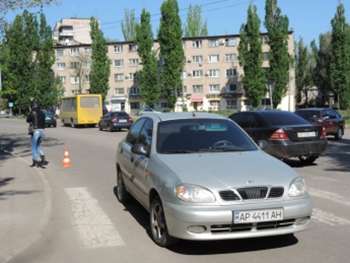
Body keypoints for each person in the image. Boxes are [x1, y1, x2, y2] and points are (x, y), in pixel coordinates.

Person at [26, 101, 48, 167]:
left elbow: (27, 120)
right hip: (42, 132)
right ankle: (42, 156)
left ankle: (35, 161)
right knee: (37, 146)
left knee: (33, 146)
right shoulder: (42, 113)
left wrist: (29, 112)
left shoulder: (33, 112)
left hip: (35, 131)